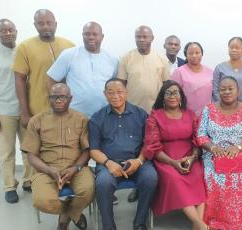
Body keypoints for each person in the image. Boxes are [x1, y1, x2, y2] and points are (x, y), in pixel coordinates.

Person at [21, 83, 94, 230]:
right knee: (41, 201)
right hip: (46, 169)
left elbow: (87, 151)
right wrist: (49, 170)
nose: (58, 100)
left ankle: (66, 216)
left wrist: (75, 168)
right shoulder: (37, 120)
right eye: (54, 97)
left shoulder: (81, 119)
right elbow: (31, 155)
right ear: (49, 98)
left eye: (63, 97)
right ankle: (73, 213)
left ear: (70, 98)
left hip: (76, 168)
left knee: (89, 190)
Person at [89, 79, 158, 230]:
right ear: (105, 94)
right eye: (110, 92)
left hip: (138, 162)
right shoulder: (97, 117)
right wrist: (108, 163)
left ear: (126, 93)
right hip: (109, 164)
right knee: (103, 183)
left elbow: (149, 143)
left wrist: (138, 161)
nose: (115, 96)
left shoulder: (140, 114)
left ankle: (139, 223)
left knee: (150, 177)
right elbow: (93, 150)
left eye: (119, 92)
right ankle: (108, 226)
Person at [196, 77, 242, 229]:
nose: (226, 91)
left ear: (238, 91)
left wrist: (237, 148)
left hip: (239, 156)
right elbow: (201, 135)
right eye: (223, 89)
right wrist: (212, 147)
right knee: (214, 181)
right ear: (218, 92)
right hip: (213, 156)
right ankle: (214, 224)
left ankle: (236, 224)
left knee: (240, 182)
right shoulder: (208, 109)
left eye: (230, 88)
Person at [143, 80, 207, 230]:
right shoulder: (155, 117)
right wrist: (173, 163)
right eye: (168, 93)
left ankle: (197, 225)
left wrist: (192, 158)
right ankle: (200, 225)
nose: (172, 96)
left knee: (199, 174)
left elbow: (197, 141)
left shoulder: (191, 115)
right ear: (163, 97)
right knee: (174, 178)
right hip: (166, 160)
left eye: (176, 92)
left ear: (181, 97)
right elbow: (153, 147)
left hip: (189, 158)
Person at [118, 25, 170, 203]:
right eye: (138, 36)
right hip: (131, 114)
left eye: (145, 37)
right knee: (135, 148)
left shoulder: (161, 59)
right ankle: (137, 187)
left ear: (152, 38)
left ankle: (153, 188)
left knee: (154, 150)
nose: (141, 39)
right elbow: (120, 86)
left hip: (155, 114)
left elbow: (166, 87)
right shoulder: (126, 58)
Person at [0, 19, 32, 203]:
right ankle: (10, 186)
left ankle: (28, 181)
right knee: (7, 152)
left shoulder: (23, 50)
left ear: (16, 31)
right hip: (4, 110)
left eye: (11, 30)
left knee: (29, 149)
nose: (8, 33)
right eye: (4, 31)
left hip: (26, 109)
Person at [14, 9, 74, 128]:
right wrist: (25, 112)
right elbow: (19, 80)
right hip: (38, 109)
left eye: (49, 22)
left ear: (55, 24)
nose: (45, 26)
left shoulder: (70, 46)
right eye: (41, 23)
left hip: (67, 109)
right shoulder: (25, 47)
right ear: (35, 25)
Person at [47, 21, 118, 118]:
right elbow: (51, 79)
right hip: (73, 116)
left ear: (102, 36)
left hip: (104, 117)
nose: (91, 37)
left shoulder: (112, 60)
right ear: (82, 35)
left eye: (95, 34)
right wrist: (58, 106)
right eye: (87, 34)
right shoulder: (69, 55)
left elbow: (115, 86)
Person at [170, 42, 213, 114]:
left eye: (197, 53)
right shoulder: (179, 72)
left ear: (202, 54)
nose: (194, 55)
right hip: (186, 115)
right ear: (186, 55)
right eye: (190, 53)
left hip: (207, 115)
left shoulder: (210, 72)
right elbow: (173, 95)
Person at [212, 37, 242, 106]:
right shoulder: (220, 68)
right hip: (224, 108)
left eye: (237, 48)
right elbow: (215, 90)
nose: (234, 50)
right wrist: (225, 106)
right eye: (231, 48)